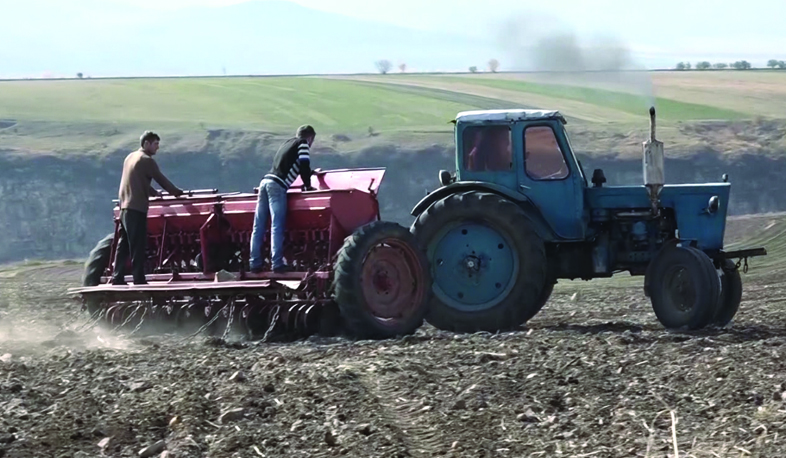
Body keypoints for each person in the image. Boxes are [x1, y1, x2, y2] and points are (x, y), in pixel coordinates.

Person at [112, 131, 184, 285]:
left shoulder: (130, 157)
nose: (157, 148)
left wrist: (153, 192)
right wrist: (177, 193)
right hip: (137, 208)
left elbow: (136, 180)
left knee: (123, 244)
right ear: (146, 143)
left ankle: (116, 277)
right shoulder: (147, 160)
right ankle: (139, 278)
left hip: (124, 207)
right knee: (138, 244)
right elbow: (161, 179)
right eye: (155, 144)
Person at [250, 125, 318, 274]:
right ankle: (277, 263)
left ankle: (255, 262)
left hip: (265, 182)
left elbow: (289, 164)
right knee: (277, 225)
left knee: (259, 226)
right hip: (277, 186)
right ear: (310, 137)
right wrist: (308, 185)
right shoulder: (303, 144)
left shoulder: (287, 143)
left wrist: (311, 173)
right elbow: (304, 164)